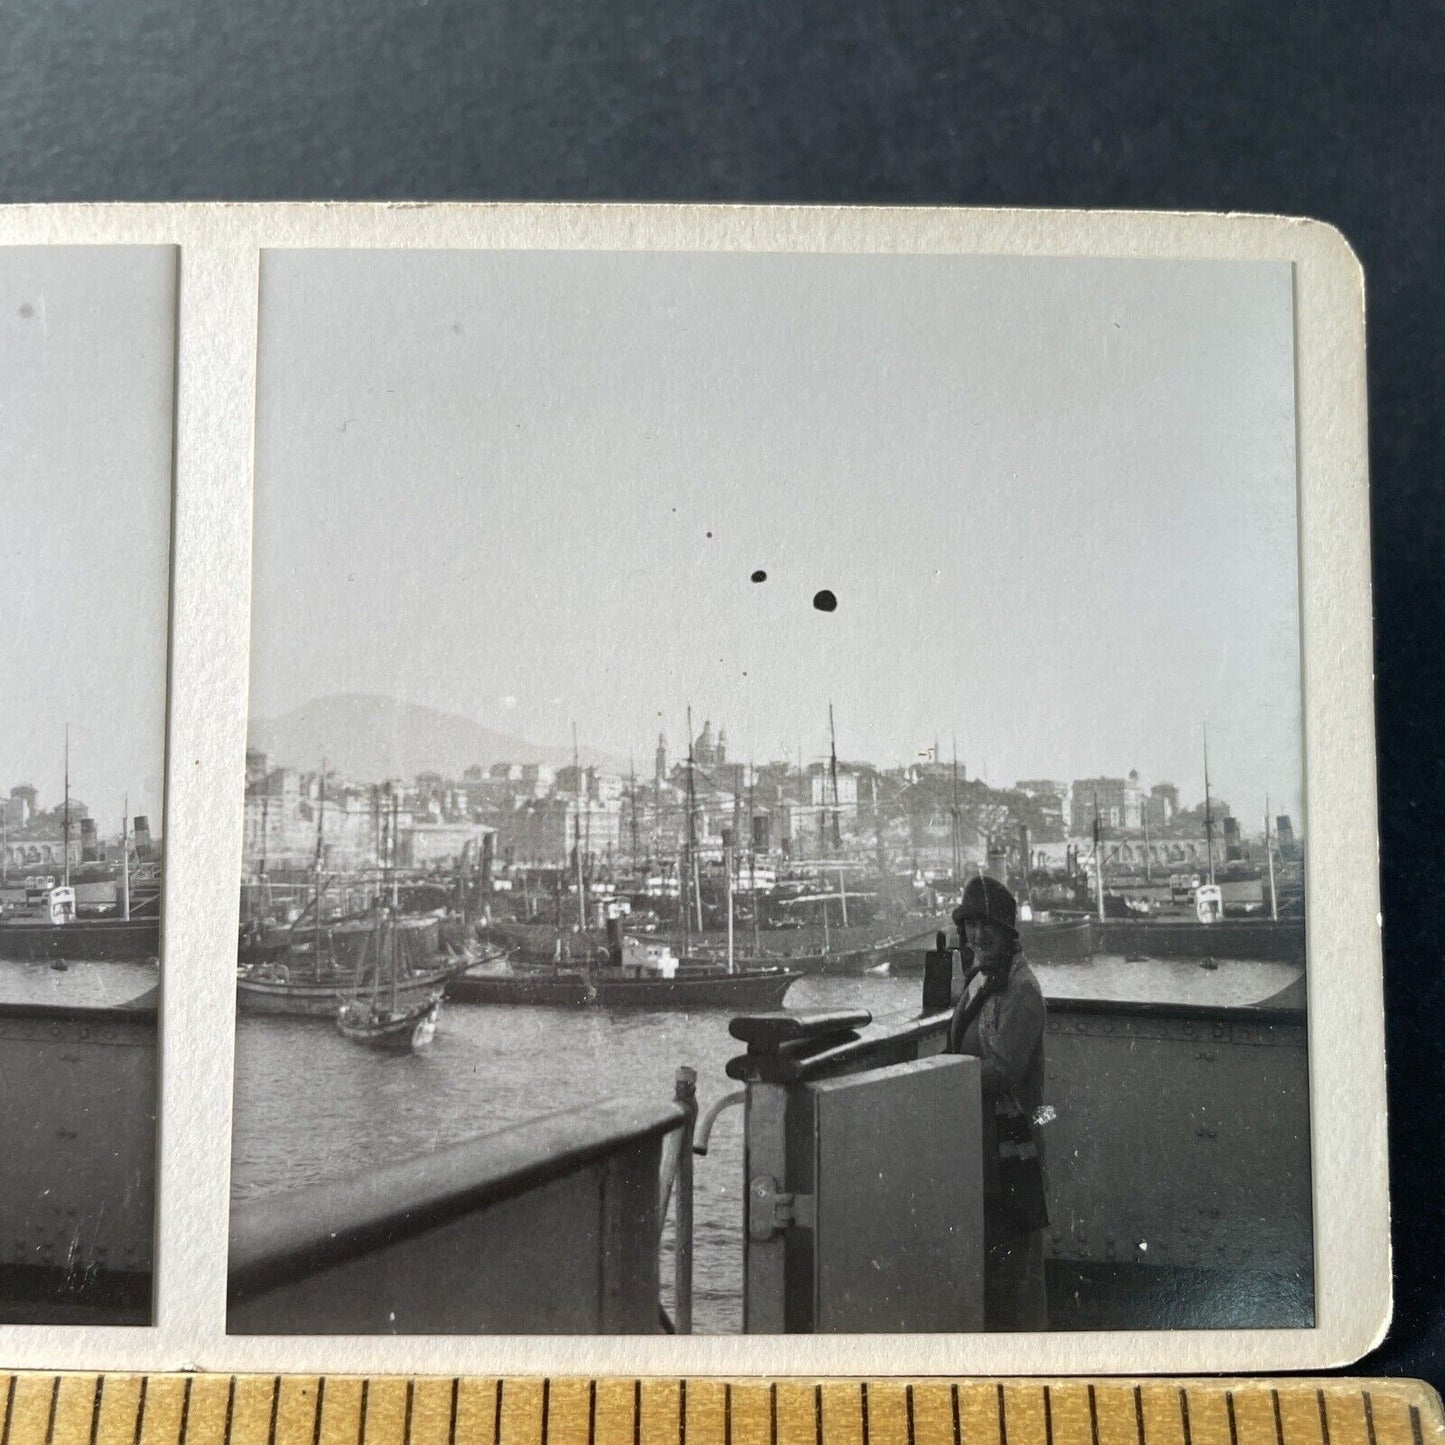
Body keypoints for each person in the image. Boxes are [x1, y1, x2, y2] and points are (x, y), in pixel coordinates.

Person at [948, 873, 1049, 1330]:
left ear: (1007, 932)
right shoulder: (980, 981)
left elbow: (1006, 1068)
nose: (975, 934)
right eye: (970, 925)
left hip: (1011, 1156)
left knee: (1014, 1276)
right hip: (979, 1148)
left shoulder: (1022, 990)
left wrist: (946, 1079)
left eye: (985, 925)